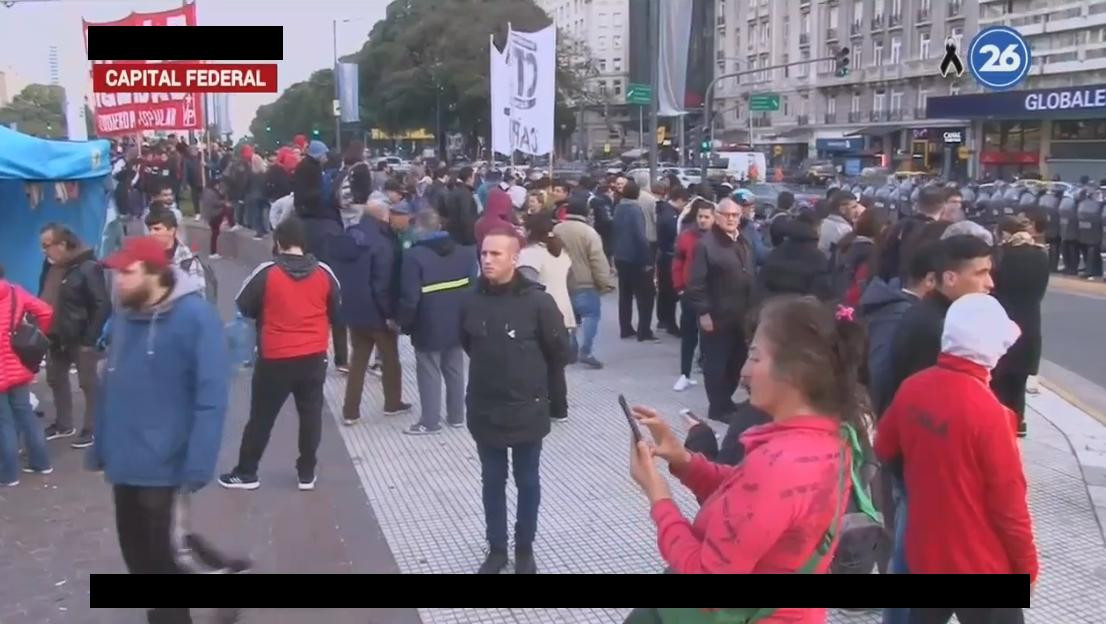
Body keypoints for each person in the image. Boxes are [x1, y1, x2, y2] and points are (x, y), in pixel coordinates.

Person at [625, 296, 869, 624]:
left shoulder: (780, 464)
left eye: (755, 357)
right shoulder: (830, 438)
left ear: (794, 372)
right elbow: (749, 499)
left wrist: (658, 496)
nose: (744, 371)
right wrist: (685, 461)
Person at [92, 236, 238, 624]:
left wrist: (199, 462)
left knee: (162, 563)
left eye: (128, 272)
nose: (119, 281)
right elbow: (113, 382)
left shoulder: (196, 318)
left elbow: (212, 396)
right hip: (125, 463)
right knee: (140, 563)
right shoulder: (124, 315)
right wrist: (100, 443)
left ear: (155, 273)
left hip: (166, 464)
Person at [876, 294, 1037, 624]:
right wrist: (1026, 567)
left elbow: (884, 447)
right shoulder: (991, 414)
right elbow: (1010, 509)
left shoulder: (913, 388)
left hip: (926, 553)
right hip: (980, 564)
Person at [462, 229, 569, 575]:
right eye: (484, 254)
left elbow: (559, 353)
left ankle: (524, 549)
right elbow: (469, 343)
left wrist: (549, 398)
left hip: (527, 409)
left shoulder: (537, 302)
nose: (487, 260)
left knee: (527, 481)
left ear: (514, 259)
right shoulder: (471, 298)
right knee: (492, 481)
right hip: (485, 408)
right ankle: (496, 548)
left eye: (495, 254)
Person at [219, 217, 341, 491]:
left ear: (278, 241)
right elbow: (336, 309)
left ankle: (247, 471)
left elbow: (244, 305)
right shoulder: (324, 272)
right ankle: (306, 472)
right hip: (313, 355)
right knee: (310, 416)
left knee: (261, 417)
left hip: (275, 356)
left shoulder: (267, 272)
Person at [327, 199, 410, 424]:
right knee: (391, 359)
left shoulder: (350, 236)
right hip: (377, 312)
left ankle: (350, 411)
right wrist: (389, 315)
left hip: (353, 310)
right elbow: (381, 284)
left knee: (359, 361)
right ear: (383, 215)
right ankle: (393, 403)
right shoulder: (382, 242)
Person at [887, 234, 995, 404]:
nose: (990, 283)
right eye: (981, 274)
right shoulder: (941, 328)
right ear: (950, 278)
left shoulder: (930, 314)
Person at [396, 210, 477, 435]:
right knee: (455, 368)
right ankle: (457, 416)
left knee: (429, 369)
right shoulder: (465, 253)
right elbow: (472, 288)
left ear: (419, 228)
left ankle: (430, 421)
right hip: (458, 319)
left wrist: (405, 324)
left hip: (428, 321)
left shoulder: (414, 256)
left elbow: (410, 297)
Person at [38, 224, 110, 448]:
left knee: (88, 383)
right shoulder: (50, 266)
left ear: (62, 244)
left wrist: (91, 338)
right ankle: (63, 424)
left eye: (46, 245)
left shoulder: (87, 267)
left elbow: (102, 304)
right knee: (55, 377)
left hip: (80, 336)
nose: (44, 251)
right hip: (55, 334)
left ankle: (92, 428)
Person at [686, 198, 756, 423]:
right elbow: (696, 283)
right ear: (717, 217)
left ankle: (725, 401)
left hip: (741, 315)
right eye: (727, 215)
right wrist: (704, 312)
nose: (732, 219)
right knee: (717, 364)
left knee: (737, 361)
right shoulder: (706, 245)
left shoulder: (742, 240)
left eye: (736, 215)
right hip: (716, 317)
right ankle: (717, 407)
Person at [859, 240, 939, 416]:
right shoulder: (900, 315)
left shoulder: (895, 306)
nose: (989, 283)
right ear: (930, 280)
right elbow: (878, 375)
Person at [992, 212, 1050, 438]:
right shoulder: (1041, 256)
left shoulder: (1001, 256)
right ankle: (1019, 420)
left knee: (1001, 377)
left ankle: (1001, 420)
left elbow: (996, 289)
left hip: (1003, 320)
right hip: (1030, 322)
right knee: (1019, 380)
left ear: (1005, 233)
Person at [0, 263, 54, 486]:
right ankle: (42, 463)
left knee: (4, 422)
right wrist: (35, 333)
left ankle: (9, 475)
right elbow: (46, 311)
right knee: (25, 414)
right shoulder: (14, 291)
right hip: (18, 363)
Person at [519, 213, 574, 422]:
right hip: (563, 310)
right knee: (557, 365)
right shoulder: (560, 252)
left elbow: (527, 285)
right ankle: (560, 408)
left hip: (541, 314)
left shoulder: (529, 255)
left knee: (537, 363)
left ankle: (540, 405)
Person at [554, 193, 615, 369]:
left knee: (569, 319)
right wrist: (604, 282)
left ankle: (571, 349)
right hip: (585, 283)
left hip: (563, 282)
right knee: (591, 315)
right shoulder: (589, 233)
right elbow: (597, 260)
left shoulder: (558, 230)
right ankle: (586, 350)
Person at [670, 198, 713, 392]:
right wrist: (679, 288)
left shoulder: (717, 239)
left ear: (714, 218)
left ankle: (710, 375)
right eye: (700, 216)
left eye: (706, 217)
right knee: (688, 336)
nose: (703, 220)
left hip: (711, 295)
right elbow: (677, 263)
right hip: (689, 293)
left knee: (710, 338)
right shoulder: (687, 236)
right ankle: (684, 374)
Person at [612, 180, 658, 342]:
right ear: (637, 194)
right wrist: (647, 257)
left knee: (625, 295)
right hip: (635, 258)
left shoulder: (618, 208)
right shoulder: (635, 210)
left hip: (620, 256)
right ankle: (644, 331)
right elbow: (640, 235)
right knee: (646, 295)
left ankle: (625, 328)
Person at [757, 208, 835, 301]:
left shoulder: (778, 251)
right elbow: (821, 292)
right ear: (816, 228)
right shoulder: (817, 257)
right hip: (801, 310)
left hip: (773, 307)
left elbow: (762, 282)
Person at [876, 186, 947, 282]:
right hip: (926, 285)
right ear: (944, 206)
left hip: (895, 283)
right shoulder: (944, 231)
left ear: (917, 204)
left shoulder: (897, 226)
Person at [834, 207, 889, 306]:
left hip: (838, 298)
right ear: (881, 228)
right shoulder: (869, 250)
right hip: (856, 304)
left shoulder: (846, 242)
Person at [144, 209, 206, 293]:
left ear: (172, 230)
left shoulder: (189, 261)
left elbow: (199, 295)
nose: (151, 233)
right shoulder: (145, 258)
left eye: (157, 229)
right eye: (150, 229)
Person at [655, 187, 686, 337]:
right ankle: (670, 323)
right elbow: (674, 235)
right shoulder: (671, 216)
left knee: (664, 291)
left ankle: (663, 320)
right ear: (679, 199)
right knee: (670, 292)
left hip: (663, 255)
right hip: (668, 256)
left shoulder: (664, 210)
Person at [442, 167, 479, 246]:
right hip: (465, 239)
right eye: (473, 177)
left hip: (454, 236)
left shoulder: (453, 192)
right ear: (469, 178)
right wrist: (471, 240)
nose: (474, 180)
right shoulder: (466, 194)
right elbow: (466, 217)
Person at [818, 189, 862, 255]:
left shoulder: (821, 224)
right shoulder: (845, 230)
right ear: (842, 209)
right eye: (854, 207)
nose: (857, 211)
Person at [200, 178, 234, 259]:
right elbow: (215, 203)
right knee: (228, 209)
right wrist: (224, 203)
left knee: (215, 233)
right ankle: (213, 252)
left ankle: (213, 252)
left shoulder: (206, 191)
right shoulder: (211, 193)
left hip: (210, 215)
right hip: (214, 214)